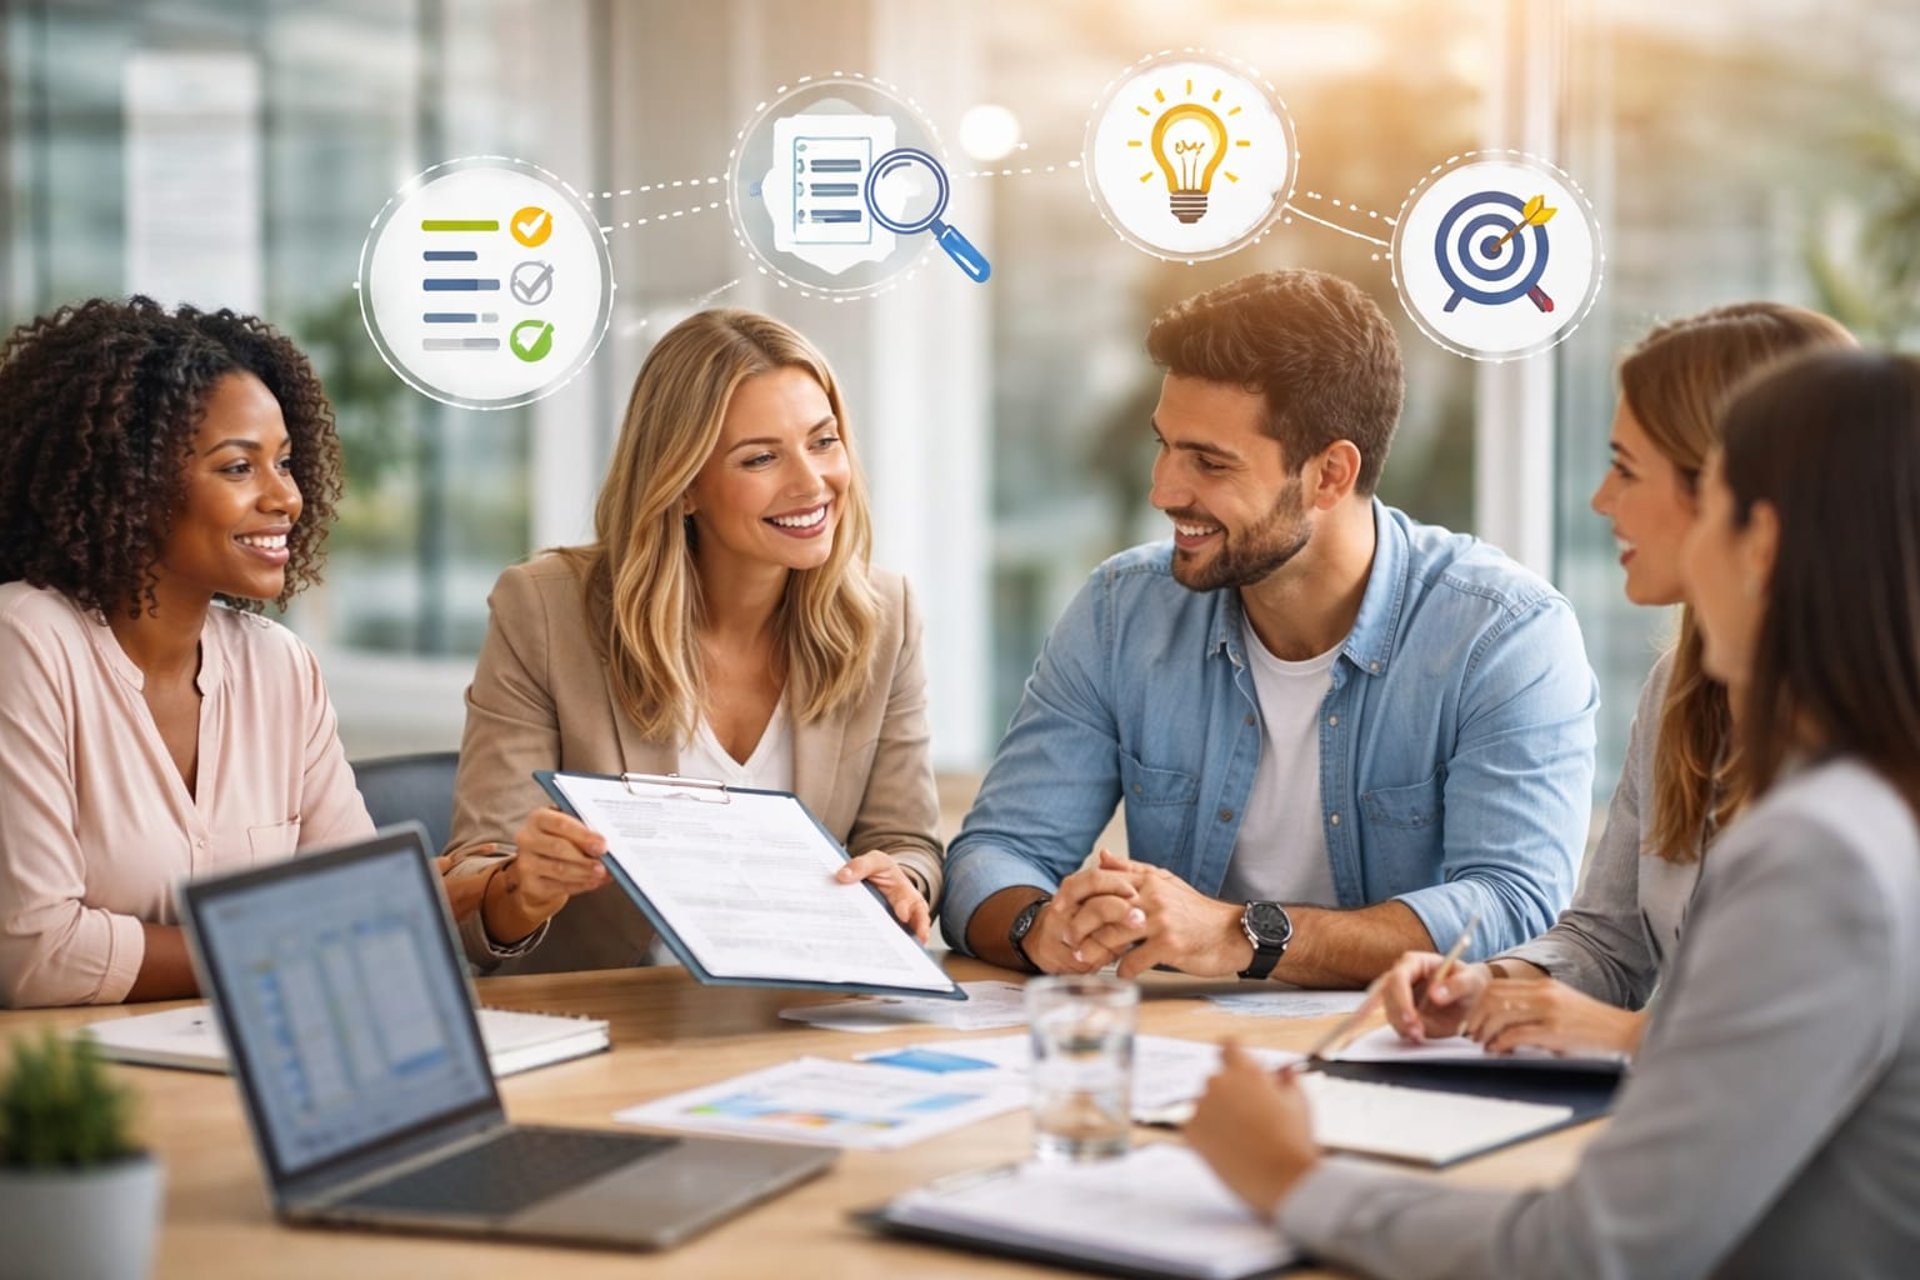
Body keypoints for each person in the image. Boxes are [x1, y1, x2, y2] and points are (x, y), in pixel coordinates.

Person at [1188, 349, 1920, 1278]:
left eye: (1710, 509)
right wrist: (1503, 985)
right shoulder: (1870, 806)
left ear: (1762, 546)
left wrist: (1289, 1177)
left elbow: (1587, 1253)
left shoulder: (1823, 855)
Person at [941, 270, 1597, 986]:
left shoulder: (1504, 636)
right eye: (1164, 445)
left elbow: (1513, 908)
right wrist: (1039, 927)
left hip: (1404, 1042)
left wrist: (1241, 935)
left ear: (1329, 475)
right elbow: (994, 855)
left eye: (1209, 463)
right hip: (1183, 1038)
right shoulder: (1121, 612)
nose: (1163, 490)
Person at [1375, 303, 1855, 1056]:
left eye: (1627, 469)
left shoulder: (1872, 740)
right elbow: (1607, 943)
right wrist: (1493, 986)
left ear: (1723, 487)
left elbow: (1825, 1033)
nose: (1601, 500)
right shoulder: (1680, 690)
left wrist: (1625, 1035)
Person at [443, 309, 940, 972]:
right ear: (680, 487)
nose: (811, 482)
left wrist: (901, 883)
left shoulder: (885, 614)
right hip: (612, 1011)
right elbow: (473, 881)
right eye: (761, 458)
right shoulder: (543, 610)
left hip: (796, 1003)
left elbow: (908, 842)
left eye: (823, 442)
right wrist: (521, 890)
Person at [0, 297, 373, 1007]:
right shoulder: (26, 640)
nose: (286, 497)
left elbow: (365, 911)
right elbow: (39, 953)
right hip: (78, 1068)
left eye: (285, 463)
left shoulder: (280, 667)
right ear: (131, 481)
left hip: (263, 1050)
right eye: (238, 468)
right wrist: (280, 946)